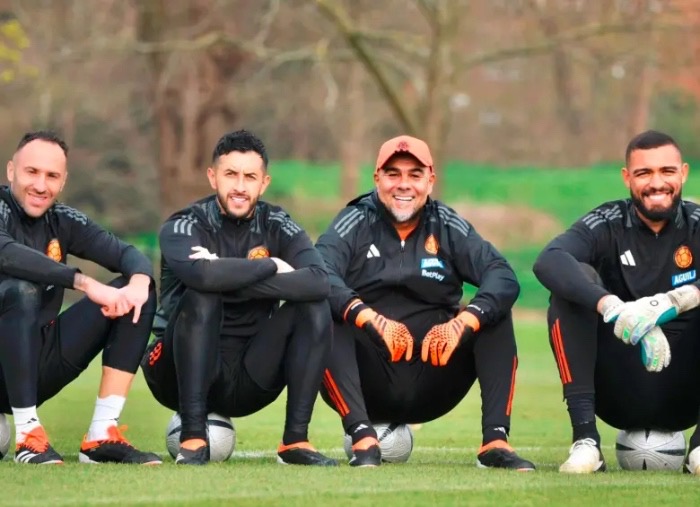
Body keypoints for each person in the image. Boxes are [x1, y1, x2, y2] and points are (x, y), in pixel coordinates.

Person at [315, 134, 535, 470]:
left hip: (434, 379)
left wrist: (464, 322)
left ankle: (495, 441)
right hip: (363, 381)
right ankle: (362, 435)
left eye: (414, 175)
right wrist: (368, 318)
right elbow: (318, 271)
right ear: (377, 178)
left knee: (494, 313)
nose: (404, 184)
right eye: (393, 174)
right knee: (320, 310)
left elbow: (502, 275)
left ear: (430, 180)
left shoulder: (446, 224)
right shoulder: (355, 220)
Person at [142, 129, 336, 466]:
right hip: (174, 374)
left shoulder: (277, 224)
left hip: (248, 377)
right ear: (212, 176)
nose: (240, 187)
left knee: (315, 308)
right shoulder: (185, 224)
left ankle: (295, 441)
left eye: (250, 177)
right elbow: (202, 278)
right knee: (203, 295)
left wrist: (227, 272)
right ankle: (192, 437)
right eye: (231, 174)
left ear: (264, 183)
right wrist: (271, 266)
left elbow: (319, 282)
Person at [533, 129, 700, 474]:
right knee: (571, 285)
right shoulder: (607, 222)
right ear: (627, 178)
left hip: (687, 392)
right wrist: (612, 306)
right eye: (644, 173)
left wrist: (678, 299)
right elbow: (549, 259)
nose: (657, 183)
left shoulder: (697, 223)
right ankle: (585, 441)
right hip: (616, 390)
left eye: (667, 171)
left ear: (683, 173)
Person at [0, 131, 161, 465]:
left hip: (35, 366)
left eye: (52, 176)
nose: (41, 185)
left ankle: (101, 434)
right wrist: (84, 282)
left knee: (138, 293)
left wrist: (139, 281)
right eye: (32, 172)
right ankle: (28, 434)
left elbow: (128, 254)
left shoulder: (63, 219)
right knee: (20, 290)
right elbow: (8, 254)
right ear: (11, 170)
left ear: (63, 181)